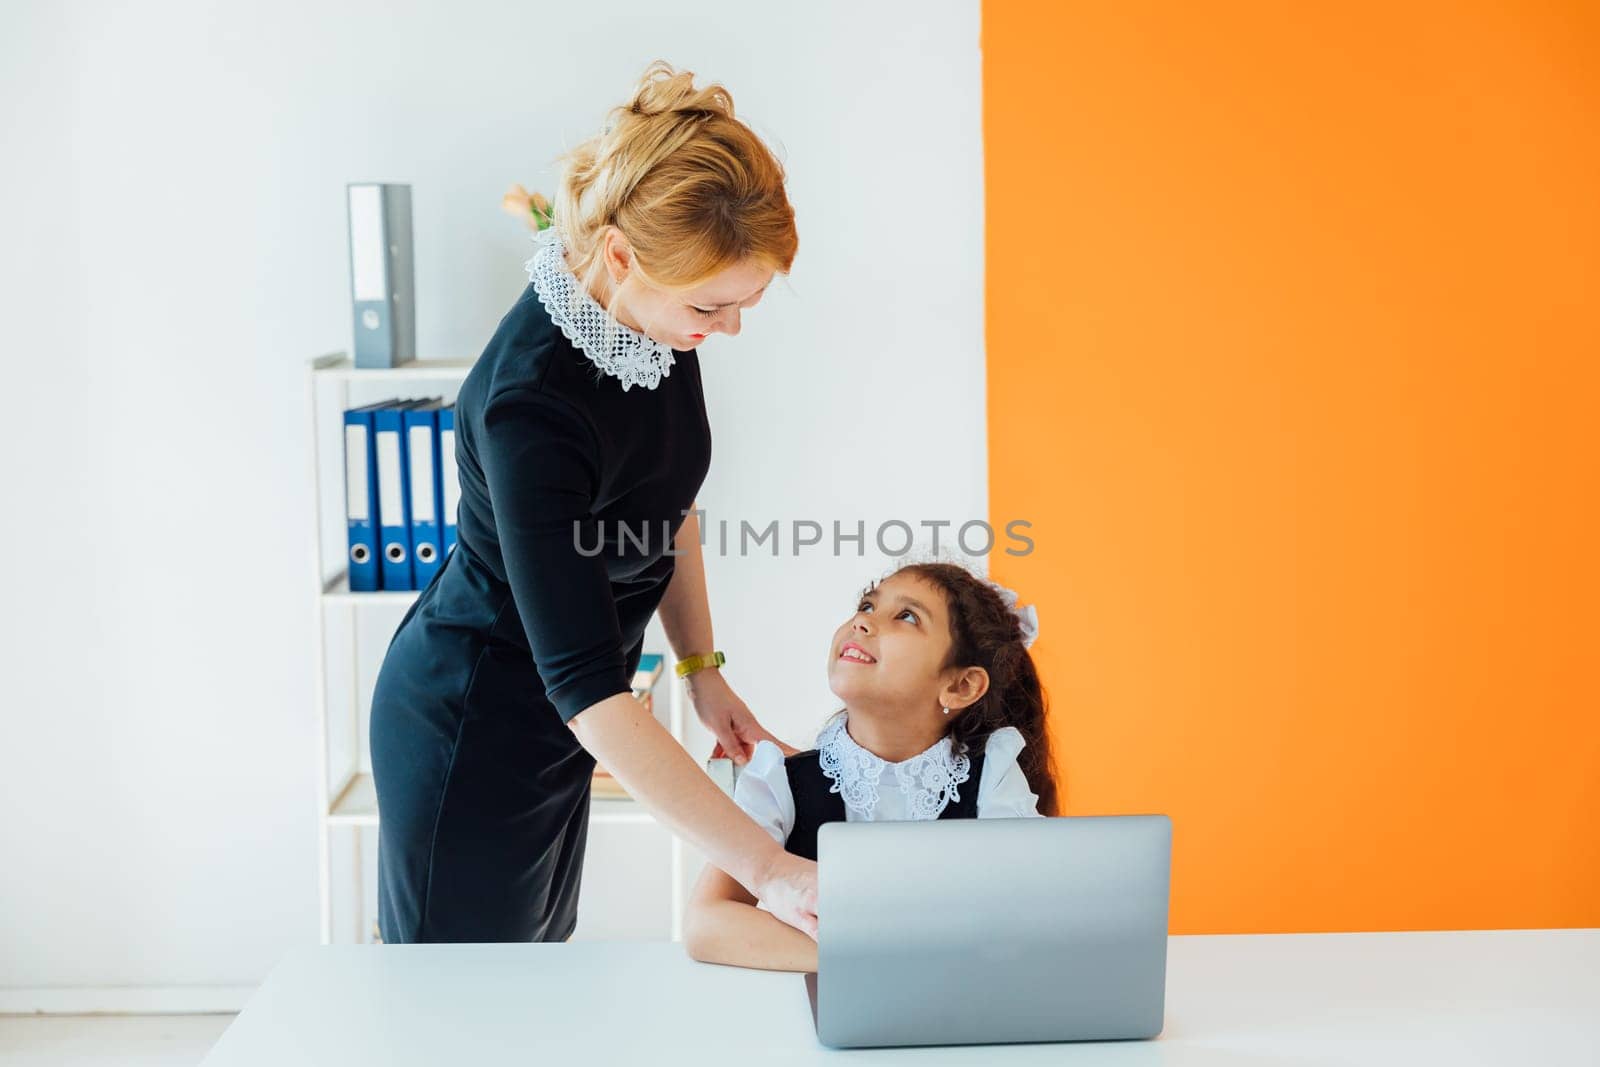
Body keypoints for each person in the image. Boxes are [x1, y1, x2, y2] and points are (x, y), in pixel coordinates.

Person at [369, 60, 816, 945]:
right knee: (459, 1011)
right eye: (713, 305)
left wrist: (701, 671)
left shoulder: (649, 321)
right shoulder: (531, 403)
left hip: (573, 721)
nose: (726, 328)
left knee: (536, 975)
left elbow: (669, 506)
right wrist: (769, 871)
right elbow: (585, 687)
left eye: (744, 302)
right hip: (477, 725)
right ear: (620, 255)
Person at [683, 562, 1061, 972]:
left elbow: (1029, 918)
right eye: (867, 604)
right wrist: (877, 960)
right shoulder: (781, 783)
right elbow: (706, 923)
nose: (863, 620)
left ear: (961, 686)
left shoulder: (992, 780)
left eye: (907, 616)